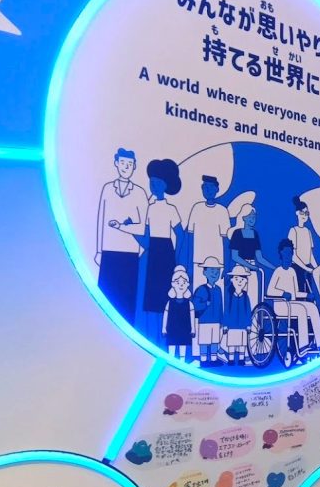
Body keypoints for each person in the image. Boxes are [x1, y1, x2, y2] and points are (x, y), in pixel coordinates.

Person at [114, 158, 182, 344]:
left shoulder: (171, 209)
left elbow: (181, 234)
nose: (154, 186)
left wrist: (178, 258)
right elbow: (146, 240)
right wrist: (128, 228)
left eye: (158, 182)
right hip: (152, 255)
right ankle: (151, 336)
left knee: (164, 297)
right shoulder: (149, 209)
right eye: (152, 182)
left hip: (166, 255)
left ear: (166, 185)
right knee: (149, 299)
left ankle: (163, 337)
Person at [96, 147, 148, 325]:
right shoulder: (107, 189)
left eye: (130, 164)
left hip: (130, 254)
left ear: (135, 166)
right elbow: (101, 220)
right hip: (109, 252)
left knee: (126, 301)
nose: (126, 167)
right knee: (104, 299)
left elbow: (142, 228)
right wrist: (98, 250)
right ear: (116, 163)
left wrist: (121, 227)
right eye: (123, 163)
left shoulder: (140, 193)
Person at [267, 239, 320, 364]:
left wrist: (307, 295)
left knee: (312, 307)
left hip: (292, 304)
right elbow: (270, 290)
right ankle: (303, 345)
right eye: (287, 253)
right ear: (281, 253)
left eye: (291, 253)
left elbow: (295, 293)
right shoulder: (278, 271)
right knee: (301, 310)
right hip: (280, 305)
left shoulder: (292, 272)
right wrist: (283, 293)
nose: (289, 256)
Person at [187, 175, 230, 288]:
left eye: (211, 187)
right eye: (205, 187)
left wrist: (227, 267)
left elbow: (226, 241)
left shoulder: (222, 211)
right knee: (198, 291)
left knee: (217, 291)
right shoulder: (196, 208)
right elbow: (190, 238)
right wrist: (189, 265)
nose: (208, 190)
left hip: (218, 263)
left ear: (217, 189)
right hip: (198, 261)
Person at [228, 204, 274, 307]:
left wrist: (273, 268)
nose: (252, 219)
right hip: (240, 270)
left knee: (253, 298)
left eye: (254, 216)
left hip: (252, 269)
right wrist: (250, 266)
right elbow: (235, 256)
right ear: (244, 217)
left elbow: (260, 258)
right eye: (250, 216)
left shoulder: (255, 234)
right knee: (239, 298)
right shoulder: (237, 233)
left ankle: (254, 317)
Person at [192, 256, 225, 365]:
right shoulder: (201, 289)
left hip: (216, 321)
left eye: (217, 271)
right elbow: (195, 304)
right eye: (212, 270)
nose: (215, 273)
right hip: (204, 321)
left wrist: (222, 321)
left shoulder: (218, 290)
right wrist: (205, 304)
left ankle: (214, 359)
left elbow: (220, 307)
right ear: (204, 272)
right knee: (204, 341)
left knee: (215, 341)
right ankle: (204, 360)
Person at [162, 265, 195, 361]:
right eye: (178, 282)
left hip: (185, 328)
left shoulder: (189, 303)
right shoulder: (170, 303)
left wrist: (193, 328)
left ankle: (182, 362)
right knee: (171, 346)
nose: (181, 285)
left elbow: (192, 316)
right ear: (173, 284)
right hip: (172, 328)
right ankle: (171, 361)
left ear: (187, 284)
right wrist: (164, 328)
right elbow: (166, 315)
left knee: (182, 346)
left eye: (184, 282)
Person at [223, 265, 253, 366]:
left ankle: (241, 359)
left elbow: (248, 311)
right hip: (232, 326)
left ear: (246, 281)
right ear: (232, 280)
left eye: (242, 279)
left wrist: (248, 325)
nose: (239, 281)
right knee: (231, 344)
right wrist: (225, 325)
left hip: (243, 326)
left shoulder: (245, 297)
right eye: (236, 279)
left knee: (242, 344)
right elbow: (226, 311)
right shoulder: (230, 296)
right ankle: (231, 359)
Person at [288, 196, 319, 270]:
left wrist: (317, 268)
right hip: (296, 268)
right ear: (297, 213)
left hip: (308, 267)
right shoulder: (293, 231)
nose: (304, 215)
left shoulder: (308, 231)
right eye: (302, 212)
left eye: (306, 213)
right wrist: (306, 268)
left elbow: (310, 255)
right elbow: (293, 255)